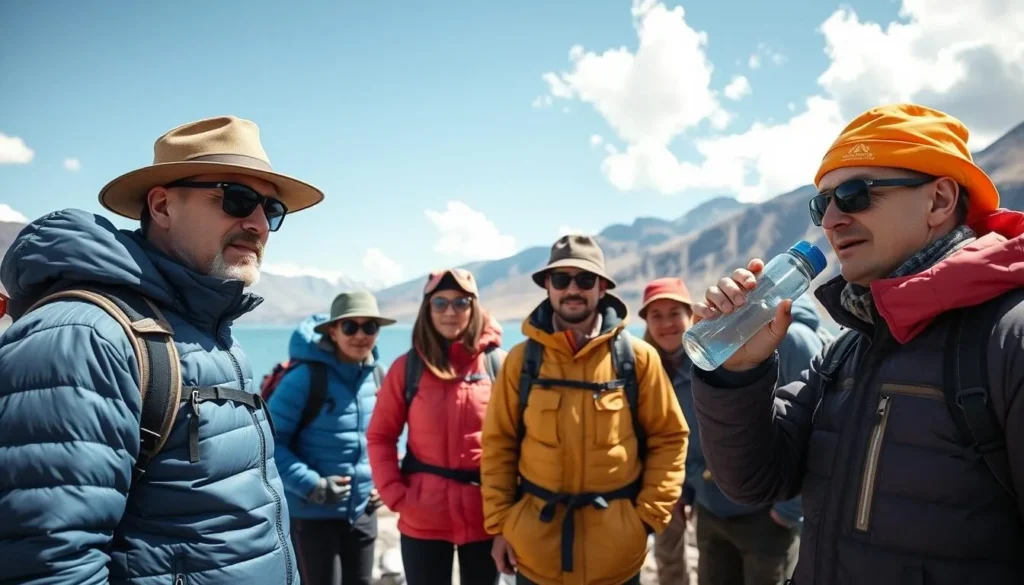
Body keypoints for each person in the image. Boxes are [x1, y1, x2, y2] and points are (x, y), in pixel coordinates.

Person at [689, 103, 1024, 584]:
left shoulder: (1008, 341)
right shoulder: (849, 348)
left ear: (939, 201)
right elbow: (753, 482)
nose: (831, 220)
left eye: (853, 194)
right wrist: (737, 372)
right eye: (821, 204)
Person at [0, 115, 324, 584]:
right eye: (236, 199)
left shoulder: (209, 333)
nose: (257, 223)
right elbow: (47, 563)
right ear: (162, 205)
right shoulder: (84, 338)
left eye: (272, 210)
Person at [480, 235, 689, 585]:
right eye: (561, 279)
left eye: (585, 279)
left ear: (602, 287)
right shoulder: (521, 362)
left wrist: (647, 519)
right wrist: (501, 525)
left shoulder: (637, 359)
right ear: (547, 285)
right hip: (535, 553)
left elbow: (669, 438)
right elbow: (498, 444)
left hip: (617, 556)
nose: (572, 289)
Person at [639, 277, 822, 585]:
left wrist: (788, 511)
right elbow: (679, 441)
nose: (667, 323)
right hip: (710, 511)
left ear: (692, 315)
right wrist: (686, 493)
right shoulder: (652, 371)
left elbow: (810, 426)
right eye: (656, 315)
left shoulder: (728, 357)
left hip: (766, 515)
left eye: (675, 313)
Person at [367, 268, 506, 585]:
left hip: (486, 516)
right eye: (440, 303)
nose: (450, 311)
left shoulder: (499, 365)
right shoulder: (408, 367)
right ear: (427, 309)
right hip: (422, 516)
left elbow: (519, 442)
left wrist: (509, 512)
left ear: (474, 308)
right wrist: (396, 495)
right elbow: (380, 435)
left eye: (461, 302)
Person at [266, 291, 397, 585]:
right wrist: (313, 485)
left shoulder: (379, 376)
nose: (360, 335)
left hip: (363, 511)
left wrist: (382, 482)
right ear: (333, 332)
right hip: (312, 515)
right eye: (350, 326)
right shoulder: (305, 378)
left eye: (370, 327)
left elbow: (386, 438)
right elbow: (270, 442)